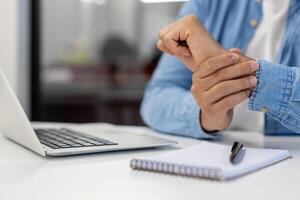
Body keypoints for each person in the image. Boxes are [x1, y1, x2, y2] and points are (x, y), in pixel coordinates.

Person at [140, 0, 300, 139]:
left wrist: (246, 76)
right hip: (223, 154)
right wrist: (206, 115)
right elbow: (156, 97)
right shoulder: (210, 3)